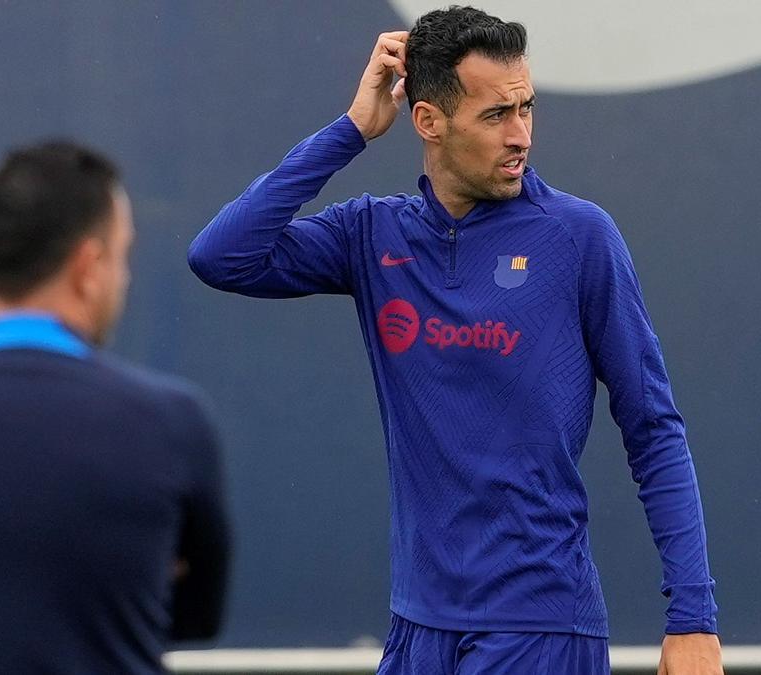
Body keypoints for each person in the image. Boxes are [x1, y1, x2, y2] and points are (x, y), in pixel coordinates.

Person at [188, 7, 720, 675]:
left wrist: (694, 619)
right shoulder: (371, 236)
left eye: (526, 107)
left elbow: (654, 427)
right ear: (429, 122)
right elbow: (220, 255)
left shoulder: (580, 238)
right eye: (496, 115)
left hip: (539, 629)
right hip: (419, 628)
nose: (520, 134)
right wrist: (351, 130)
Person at [0, 142, 230, 674]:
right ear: (89, 266)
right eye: (123, 255)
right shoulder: (169, 422)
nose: (125, 279)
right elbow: (197, 617)